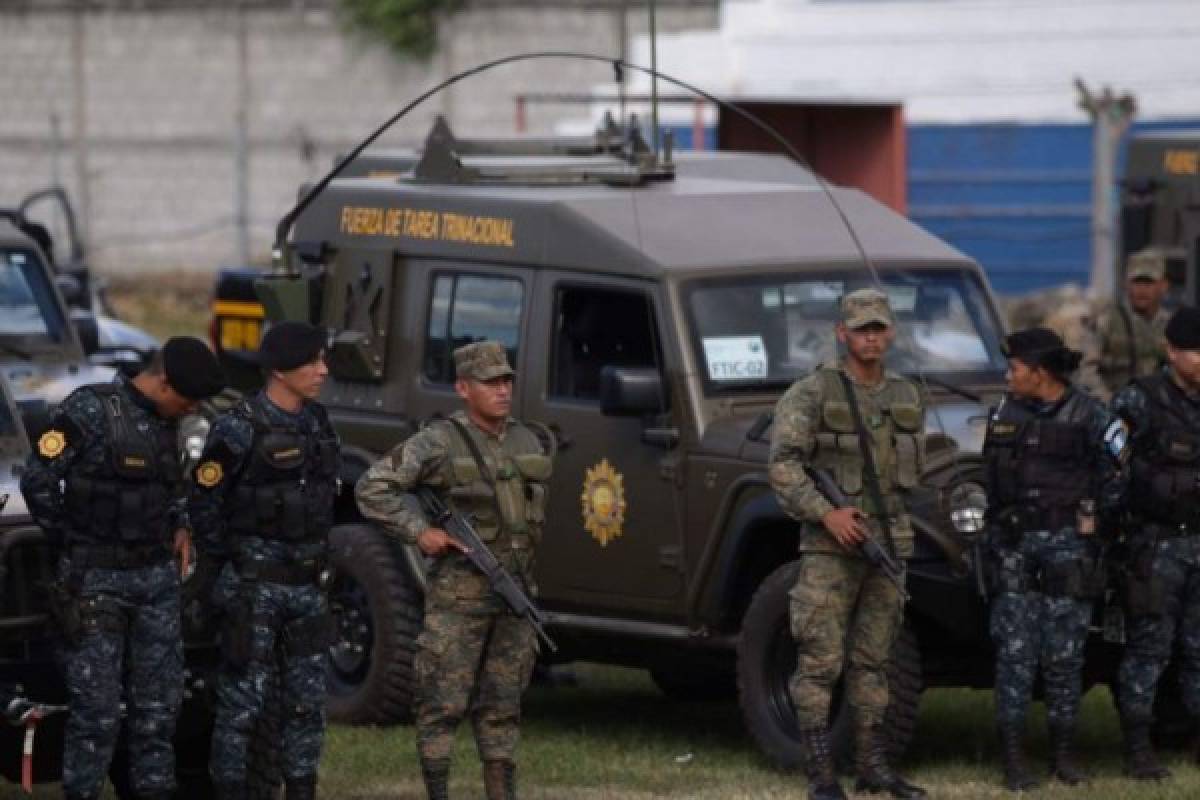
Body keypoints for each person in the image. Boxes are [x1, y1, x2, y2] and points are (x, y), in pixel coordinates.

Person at [19, 337, 225, 800]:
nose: (188, 409)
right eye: (185, 400)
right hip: (97, 585)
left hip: (156, 582)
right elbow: (39, 479)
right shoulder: (90, 410)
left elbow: (171, 484)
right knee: (97, 714)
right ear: (162, 380)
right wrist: (72, 539)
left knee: (158, 712)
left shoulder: (167, 422)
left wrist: (181, 524)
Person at [356, 341, 552, 800]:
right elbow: (372, 487)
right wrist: (418, 532)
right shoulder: (439, 441)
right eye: (490, 383)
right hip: (459, 598)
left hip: (515, 594)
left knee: (503, 706)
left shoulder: (527, 439)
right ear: (464, 388)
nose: (502, 391)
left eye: (507, 381)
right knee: (441, 704)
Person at [768, 288, 927, 800]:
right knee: (820, 661)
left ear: (892, 333)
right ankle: (819, 770)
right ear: (842, 333)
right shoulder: (813, 392)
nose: (871, 337)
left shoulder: (905, 394)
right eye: (861, 329)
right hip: (831, 547)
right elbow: (784, 465)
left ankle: (872, 764)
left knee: (874, 660)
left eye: (879, 328)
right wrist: (827, 513)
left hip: (887, 544)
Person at [189, 321, 339, 800]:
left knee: (306, 705)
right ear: (280, 369)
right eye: (313, 361)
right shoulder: (237, 427)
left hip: (307, 587)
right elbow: (205, 501)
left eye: (322, 359)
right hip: (253, 589)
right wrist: (226, 569)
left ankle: (300, 789)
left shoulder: (318, 422)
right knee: (241, 706)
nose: (323, 370)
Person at [982, 327, 1125, 791]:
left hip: (1069, 550)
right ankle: (1013, 757)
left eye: (1016, 369)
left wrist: (1092, 520)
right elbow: (988, 474)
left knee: (1065, 657)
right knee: (1015, 657)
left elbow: (1118, 476)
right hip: (1015, 550)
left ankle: (1064, 753)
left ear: (1040, 373)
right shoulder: (1004, 413)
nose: (1009, 376)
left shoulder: (1091, 416)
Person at [1113, 306, 1200, 781]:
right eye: (1194, 351)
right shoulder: (1139, 401)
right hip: (1157, 544)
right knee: (1150, 649)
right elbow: (1111, 464)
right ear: (1170, 351)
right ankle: (1138, 746)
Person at [1085, 247, 1172, 399]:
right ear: (1126, 284)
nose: (1142, 290)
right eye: (1136, 282)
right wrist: (1108, 401)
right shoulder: (1106, 320)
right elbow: (1086, 370)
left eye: (1148, 283)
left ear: (1163, 286)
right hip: (1114, 404)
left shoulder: (1172, 325)